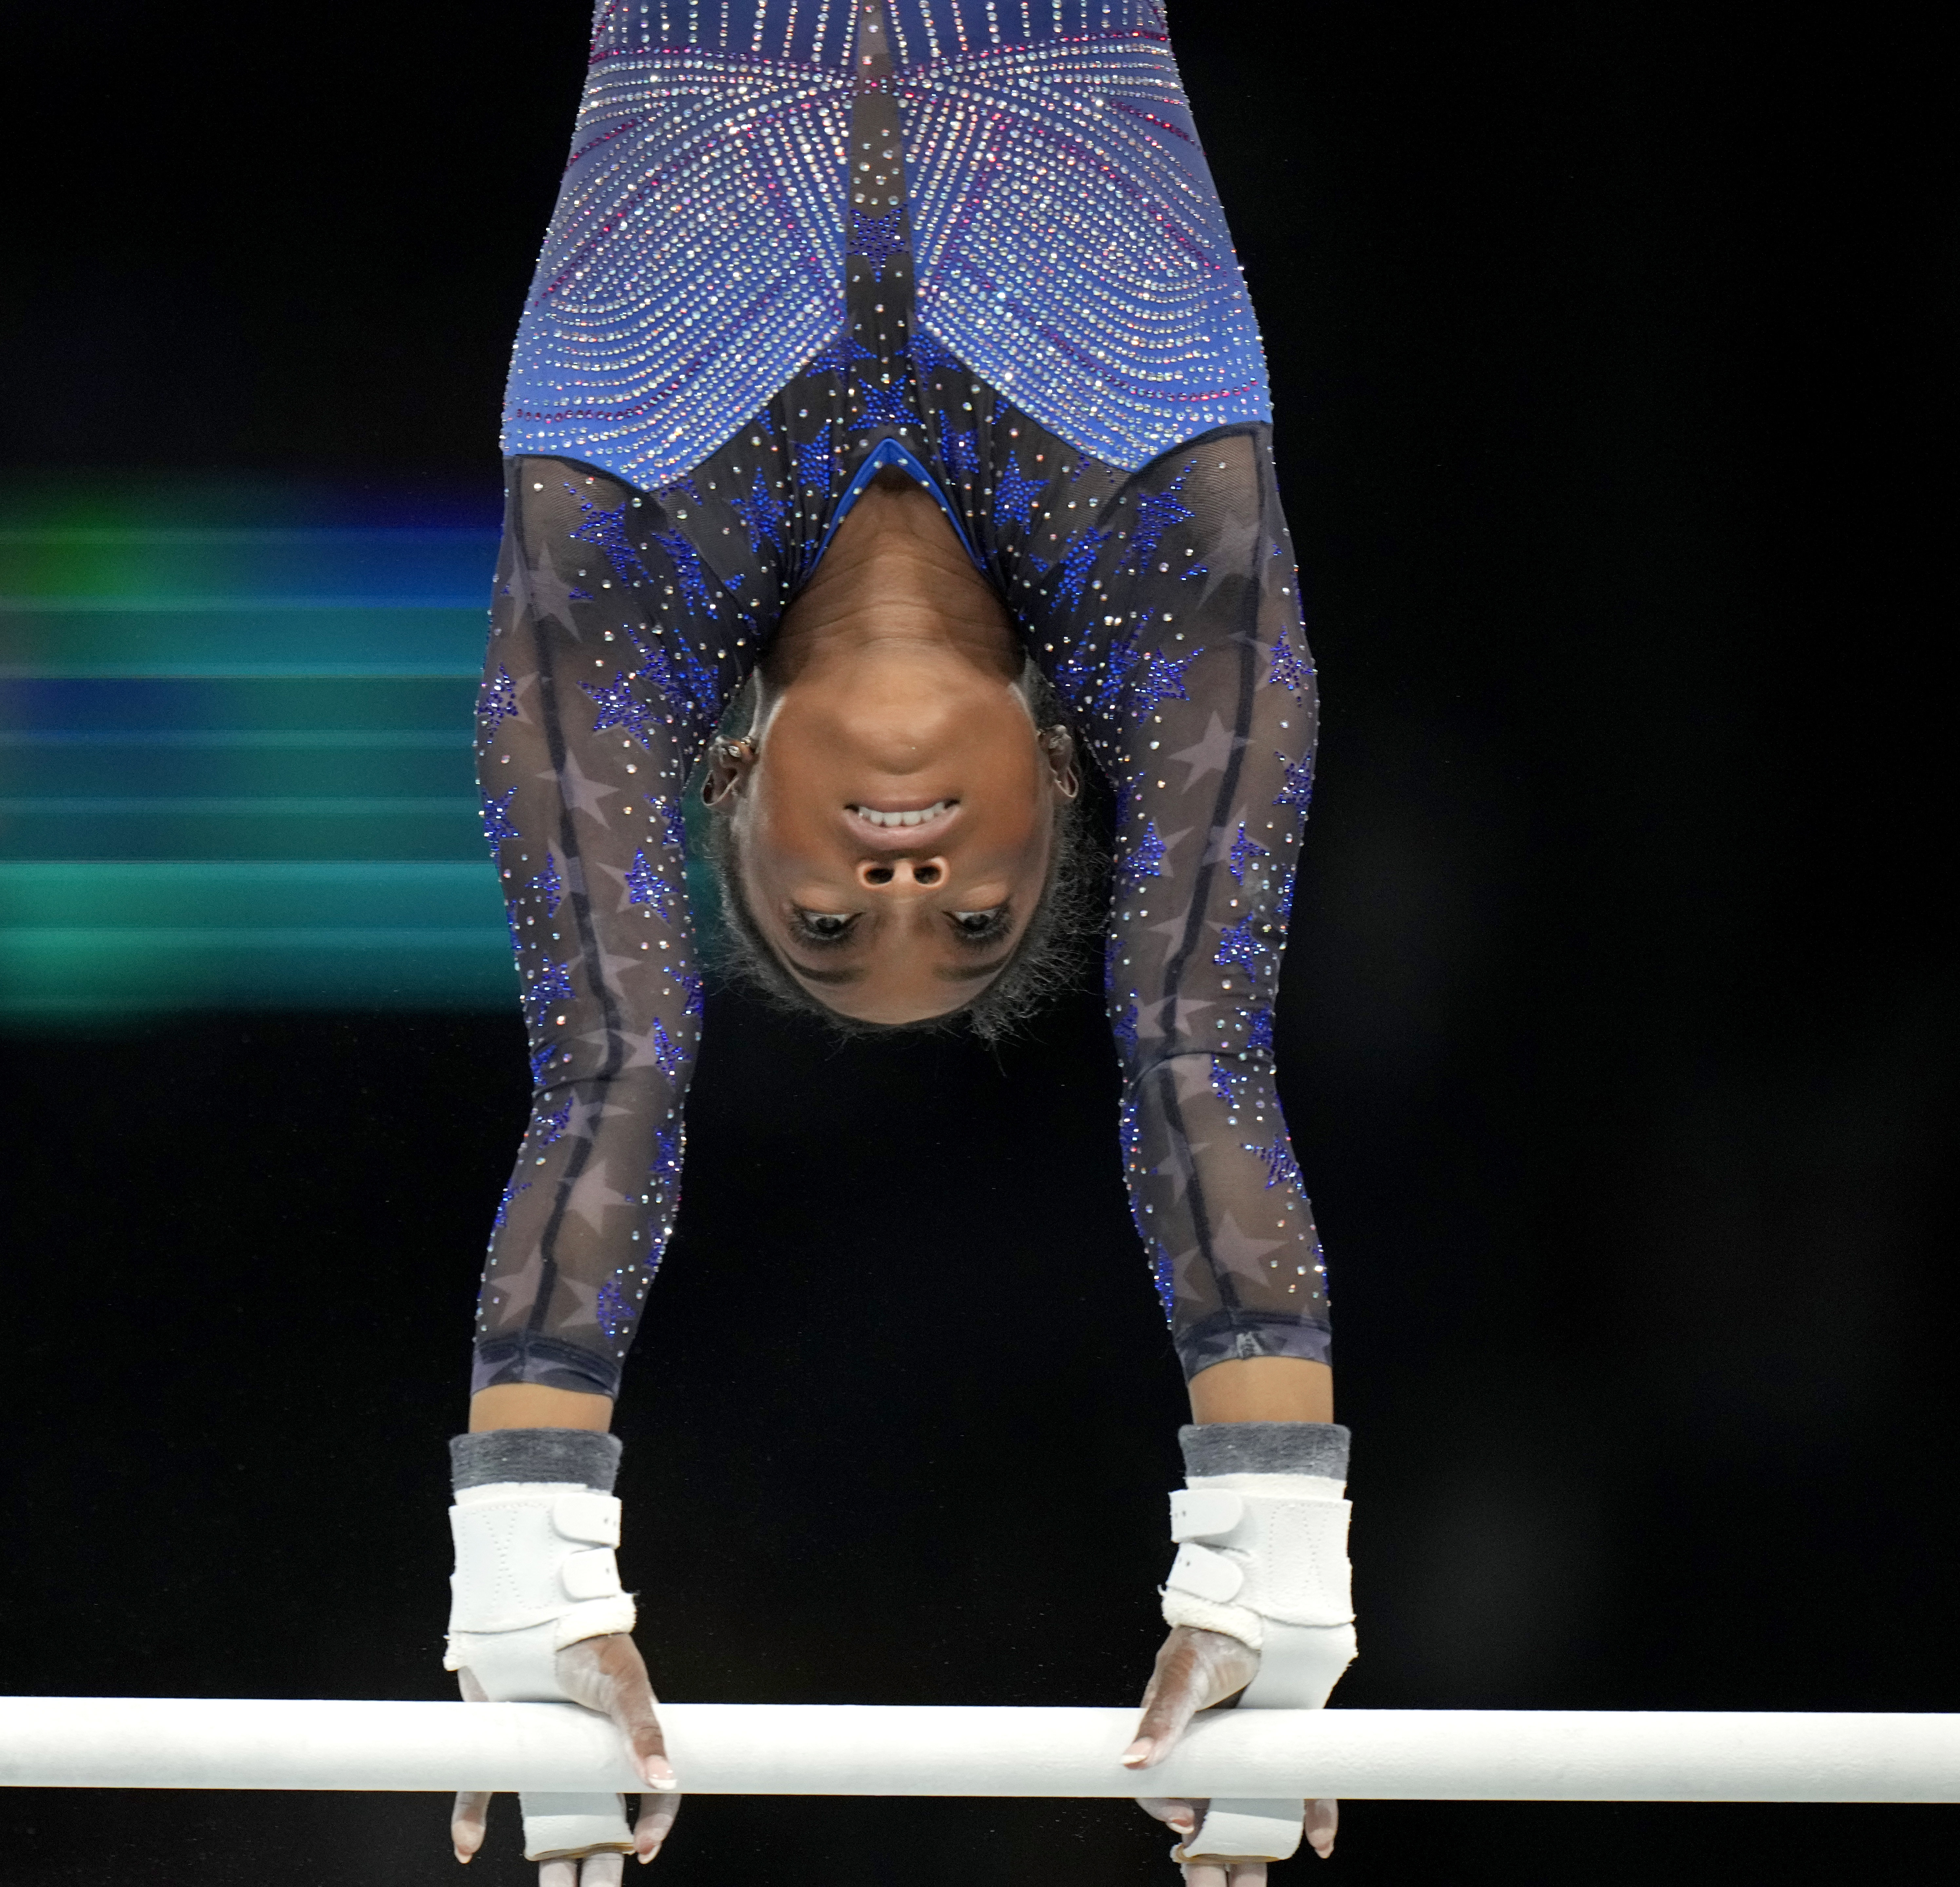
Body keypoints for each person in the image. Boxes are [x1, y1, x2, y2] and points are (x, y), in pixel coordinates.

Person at [442, 5, 1348, 1881]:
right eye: (972, 915)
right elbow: (1201, 1047)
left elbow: (610, 1061)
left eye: (828, 921)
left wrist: (522, 1596)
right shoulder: (1178, 589)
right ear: (1078, 789)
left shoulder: (614, 587)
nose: (906, 884)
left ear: (728, 784)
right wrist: (1283, 1590)